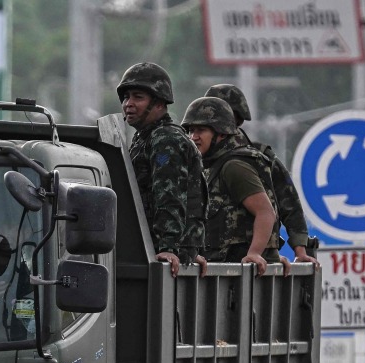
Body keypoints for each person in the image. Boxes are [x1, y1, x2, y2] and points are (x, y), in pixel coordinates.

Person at [205, 83, 318, 266]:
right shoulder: (198, 154)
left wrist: (300, 250)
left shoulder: (258, 158)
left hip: (247, 259)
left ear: (237, 119)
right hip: (214, 258)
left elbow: (288, 199)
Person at [116, 62, 206, 278]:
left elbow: (169, 195)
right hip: (148, 248)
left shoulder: (166, 138)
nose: (128, 104)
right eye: (126, 97)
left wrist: (170, 248)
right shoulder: (146, 137)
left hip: (159, 254)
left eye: (138, 97)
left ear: (158, 103)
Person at [182, 96, 283, 272]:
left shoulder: (233, 166)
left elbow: (265, 211)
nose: (194, 137)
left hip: (238, 274)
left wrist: (255, 253)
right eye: (191, 130)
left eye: (201, 130)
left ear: (221, 133)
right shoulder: (212, 163)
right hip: (225, 269)